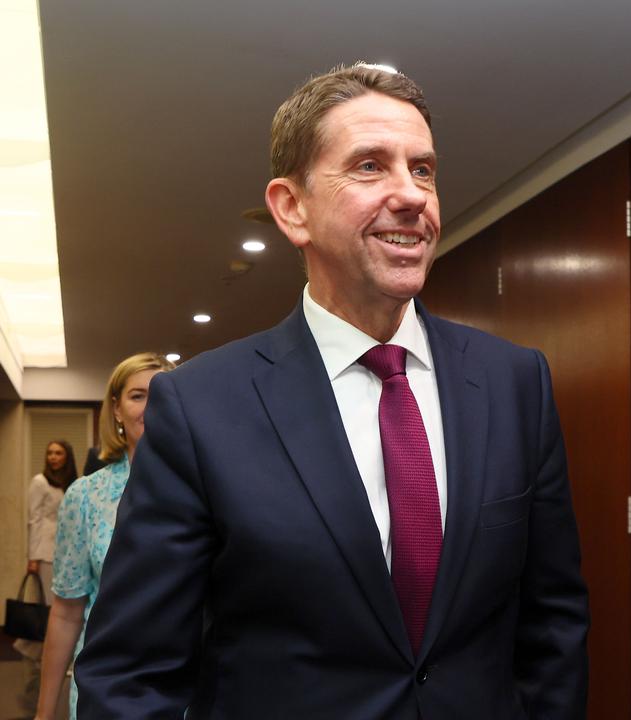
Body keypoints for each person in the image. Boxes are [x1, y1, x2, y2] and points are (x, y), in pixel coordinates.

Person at [74, 63, 589, 719]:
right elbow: (133, 674)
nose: (411, 195)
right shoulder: (202, 407)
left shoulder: (516, 383)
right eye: (371, 166)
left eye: (423, 169)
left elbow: (553, 627)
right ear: (292, 209)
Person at [35, 353, 173, 720]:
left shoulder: (208, 488)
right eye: (137, 395)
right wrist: (45, 712)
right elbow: (66, 614)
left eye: (162, 394)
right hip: (108, 684)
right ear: (116, 409)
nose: (151, 406)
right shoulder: (85, 496)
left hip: (193, 686)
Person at [14, 440, 77, 716]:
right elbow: (34, 519)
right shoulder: (40, 481)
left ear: (67, 456)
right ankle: (37, 654)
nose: (53, 457)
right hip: (45, 553)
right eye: (49, 452)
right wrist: (31, 558)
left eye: (58, 452)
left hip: (69, 551)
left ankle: (61, 658)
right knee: (46, 610)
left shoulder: (75, 481)